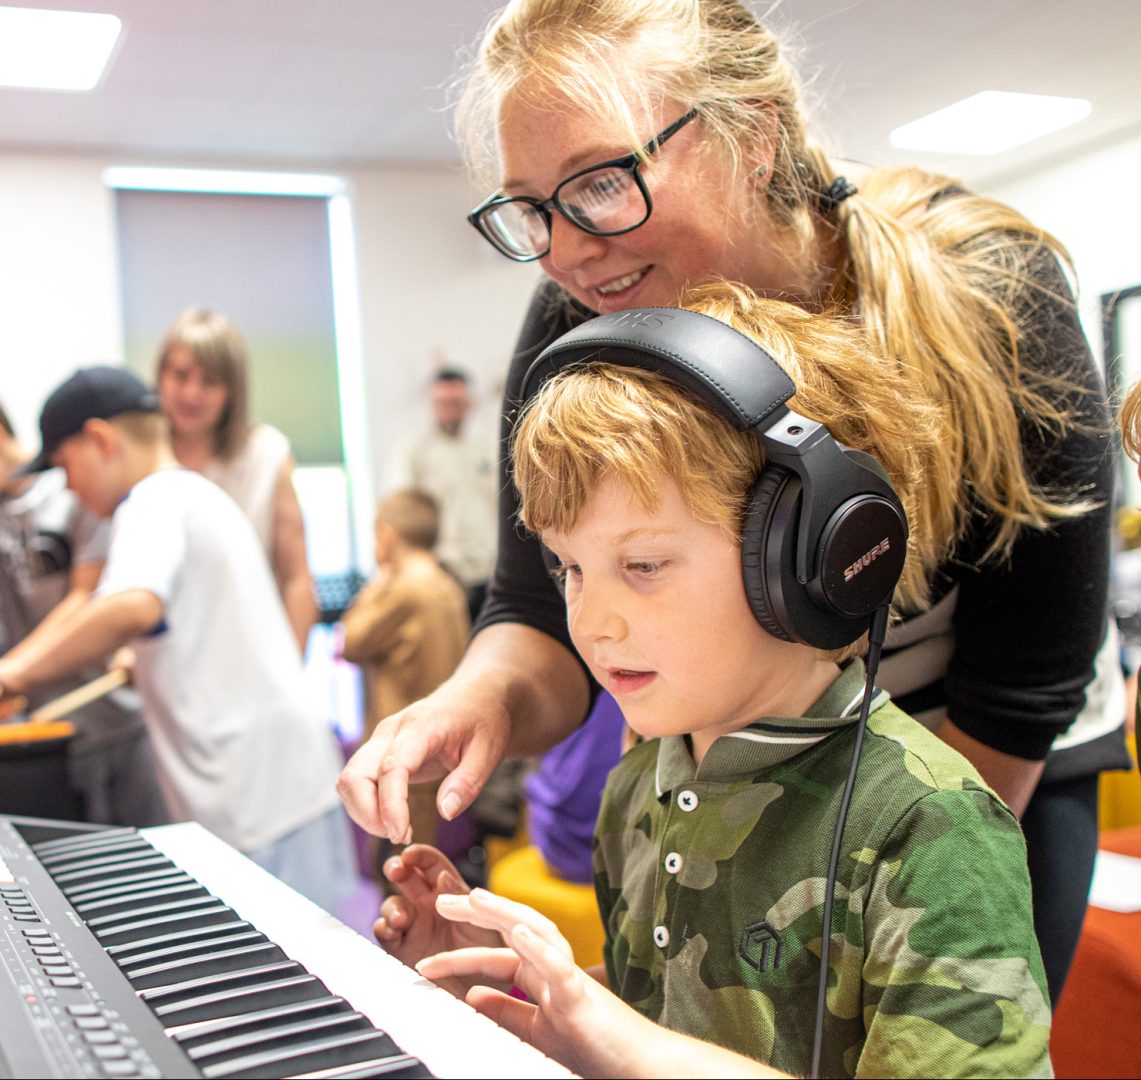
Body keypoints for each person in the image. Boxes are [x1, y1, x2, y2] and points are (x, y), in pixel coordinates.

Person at [339, 0, 1123, 1004]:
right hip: (733, 765)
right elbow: (537, 612)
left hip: (985, 760)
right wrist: (472, 702)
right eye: (532, 208)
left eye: (602, 181)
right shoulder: (588, 311)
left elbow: (1024, 685)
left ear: (752, 137)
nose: (566, 251)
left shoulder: (991, 296)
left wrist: (891, 876)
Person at [373, 289, 1052, 1079]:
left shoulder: (928, 828)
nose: (591, 622)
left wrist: (616, 1043)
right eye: (569, 569)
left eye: (643, 566)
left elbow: (641, 1051)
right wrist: (520, 994)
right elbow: (670, 1022)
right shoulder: (638, 785)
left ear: (803, 558)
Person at [0, 367, 352, 913]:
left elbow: (132, 605)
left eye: (66, 466)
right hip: (283, 784)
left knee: (296, 977)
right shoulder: (190, 493)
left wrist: (14, 674)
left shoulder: (153, 500)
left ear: (100, 439)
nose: (67, 486)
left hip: (256, 796)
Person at [0, 399, 167, 827]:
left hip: (117, 717)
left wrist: (15, 671)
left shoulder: (81, 491)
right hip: (47, 729)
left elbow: (88, 596)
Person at [155, 306, 317, 654]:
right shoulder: (142, 459)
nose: (191, 394)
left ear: (232, 390)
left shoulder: (266, 455)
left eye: (210, 381)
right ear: (160, 376)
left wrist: (289, 674)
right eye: (180, 375)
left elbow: (297, 579)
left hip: (249, 653)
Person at [340, 489, 470, 874]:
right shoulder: (446, 584)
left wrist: (374, 586)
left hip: (402, 747)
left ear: (387, 534)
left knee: (400, 865)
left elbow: (351, 641)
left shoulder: (402, 589)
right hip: (436, 741)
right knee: (419, 850)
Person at [387, 369, 497, 624]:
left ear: (469, 404)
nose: (450, 409)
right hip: (444, 572)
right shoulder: (413, 453)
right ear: (432, 404)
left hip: (487, 573)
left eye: (456, 402)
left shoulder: (486, 451)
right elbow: (402, 513)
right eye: (443, 402)